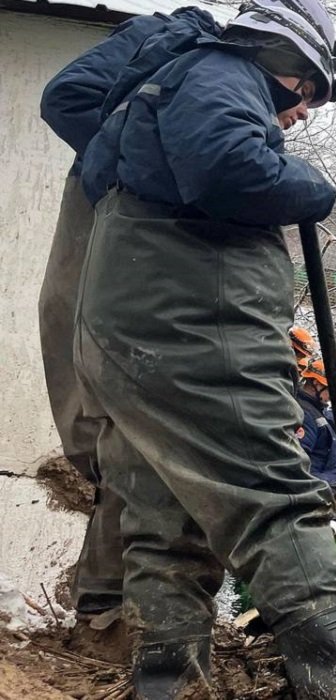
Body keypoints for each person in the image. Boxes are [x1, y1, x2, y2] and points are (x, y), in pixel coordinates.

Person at [72, 1, 336, 696]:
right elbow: (228, 170)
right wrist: (314, 186)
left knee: (163, 514)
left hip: (137, 323)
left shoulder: (173, 84)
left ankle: (169, 680)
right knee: (271, 495)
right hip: (193, 324)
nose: (305, 112)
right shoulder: (223, 73)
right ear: (285, 62)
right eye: (310, 92)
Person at [38, 6, 221, 656]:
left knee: (132, 438)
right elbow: (67, 98)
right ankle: (103, 615)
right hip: (108, 227)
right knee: (111, 432)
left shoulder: (212, 81)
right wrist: (133, 170)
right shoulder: (176, 38)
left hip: (138, 248)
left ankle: (107, 606)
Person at [297, 359, 336, 492]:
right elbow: (298, 460)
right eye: (330, 390)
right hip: (312, 490)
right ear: (316, 383)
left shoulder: (316, 411)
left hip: (321, 487)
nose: (331, 397)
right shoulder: (305, 413)